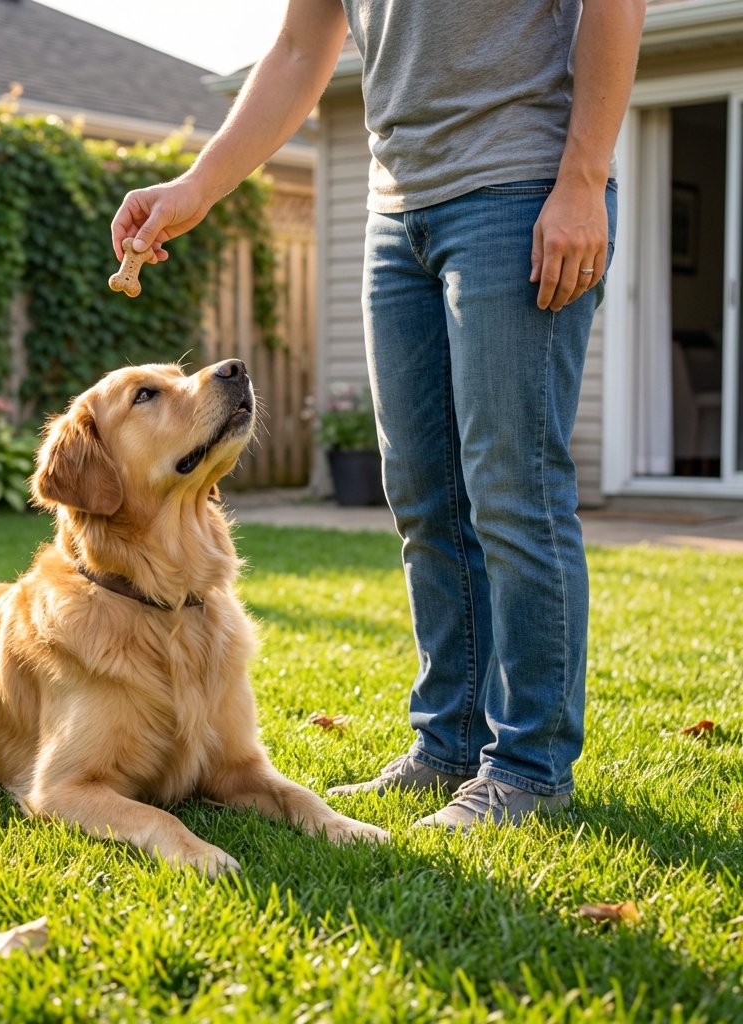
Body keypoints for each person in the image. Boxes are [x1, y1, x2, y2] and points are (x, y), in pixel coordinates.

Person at [111, 0, 646, 829]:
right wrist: (197, 185)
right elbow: (298, 48)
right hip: (399, 209)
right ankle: (448, 747)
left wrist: (581, 178)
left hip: (519, 184)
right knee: (424, 496)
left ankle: (532, 769)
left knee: (513, 490)